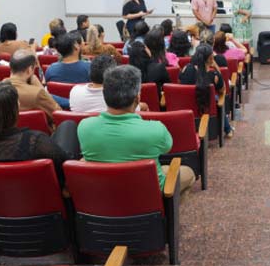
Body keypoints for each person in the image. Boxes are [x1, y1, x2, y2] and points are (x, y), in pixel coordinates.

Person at [78, 65, 195, 193]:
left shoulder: (84, 127)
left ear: (104, 95)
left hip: (105, 194)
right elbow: (167, 148)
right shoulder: (156, 129)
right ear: (137, 99)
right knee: (189, 173)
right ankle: (169, 210)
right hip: (148, 193)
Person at [0, 81, 80, 181]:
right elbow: (66, 167)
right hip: (36, 200)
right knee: (68, 125)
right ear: (14, 110)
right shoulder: (35, 142)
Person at [0, 49, 61, 121]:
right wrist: (41, 88)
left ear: (10, 67)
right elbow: (58, 114)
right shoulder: (37, 93)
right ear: (29, 70)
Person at [180, 45, 232, 137]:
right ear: (210, 58)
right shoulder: (214, 75)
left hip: (186, 109)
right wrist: (216, 67)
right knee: (215, 98)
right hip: (205, 109)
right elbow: (223, 90)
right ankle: (228, 129)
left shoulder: (185, 69)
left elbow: (180, 84)